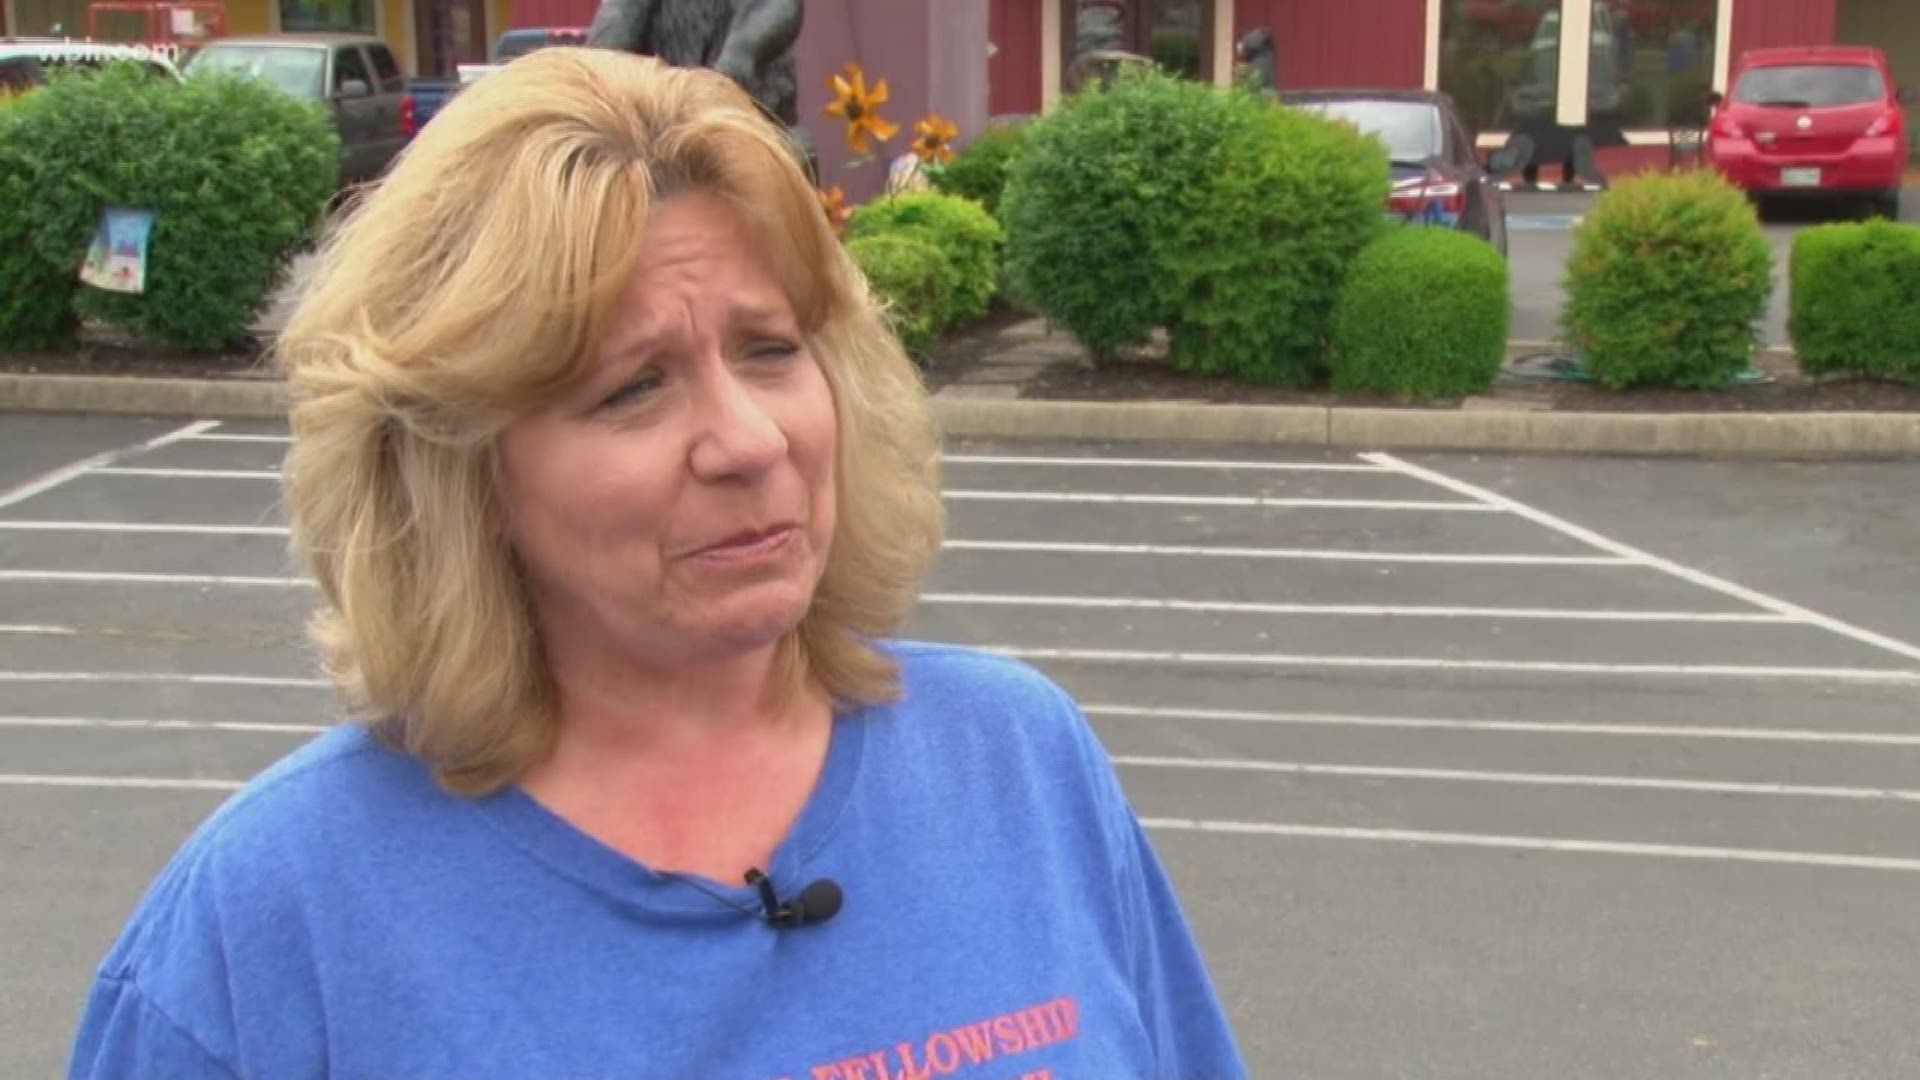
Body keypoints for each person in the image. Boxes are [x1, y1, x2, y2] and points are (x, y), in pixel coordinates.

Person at [66, 45, 1248, 1079]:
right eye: (633, 386)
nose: (748, 439)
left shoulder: (1022, 766)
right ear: (460, 471)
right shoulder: (269, 927)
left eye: (771, 349)